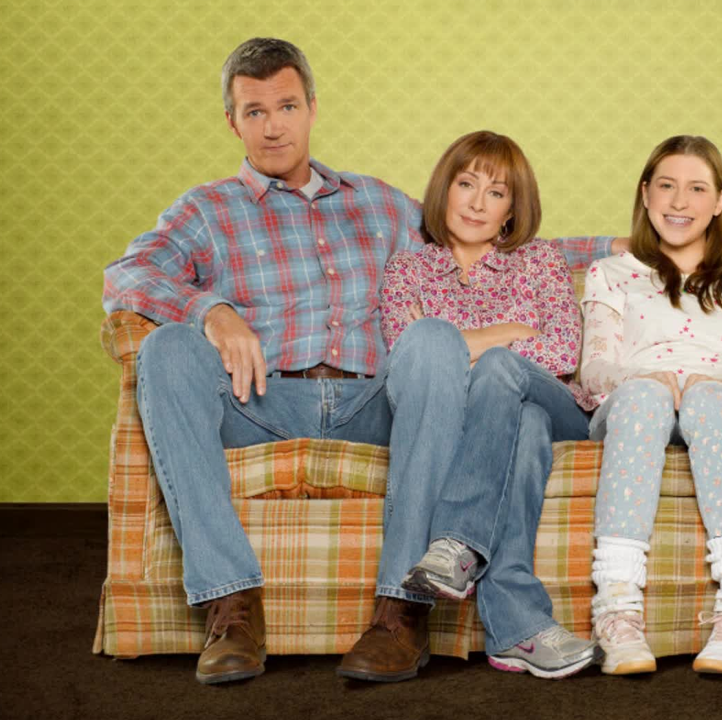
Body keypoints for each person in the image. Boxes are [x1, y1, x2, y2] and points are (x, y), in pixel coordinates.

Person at [101, 38, 621, 685]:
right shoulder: (205, 211)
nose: (273, 126)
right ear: (232, 121)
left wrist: (634, 243)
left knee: (430, 338)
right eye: (255, 111)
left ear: (312, 108)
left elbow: (484, 229)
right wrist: (212, 310)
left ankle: (401, 612)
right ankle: (232, 608)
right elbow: (126, 276)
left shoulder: (378, 204)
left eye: (287, 106)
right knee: (166, 348)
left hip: (374, 401)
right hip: (259, 399)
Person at [342, 130, 596, 681]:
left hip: (555, 403)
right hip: (500, 420)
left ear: (512, 209)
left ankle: (456, 540)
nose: (478, 203)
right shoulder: (408, 270)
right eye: (466, 184)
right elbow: (413, 363)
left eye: (496, 192)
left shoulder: (539, 260)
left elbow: (559, 351)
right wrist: (511, 330)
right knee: (522, 422)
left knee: (504, 372)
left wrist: (465, 343)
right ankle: (518, 629)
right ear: (445, 189)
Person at [581, 135, 722, 675]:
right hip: (633, 406)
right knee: (644, 395)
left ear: (720, 201)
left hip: (720, 408)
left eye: (697, 189)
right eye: (666, 186)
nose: (679, 201)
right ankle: (616, 608)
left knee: (709, 397)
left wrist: (712, 384)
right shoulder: (610, 273)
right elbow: (593, 371)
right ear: (646, 194)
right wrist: (645, 378)